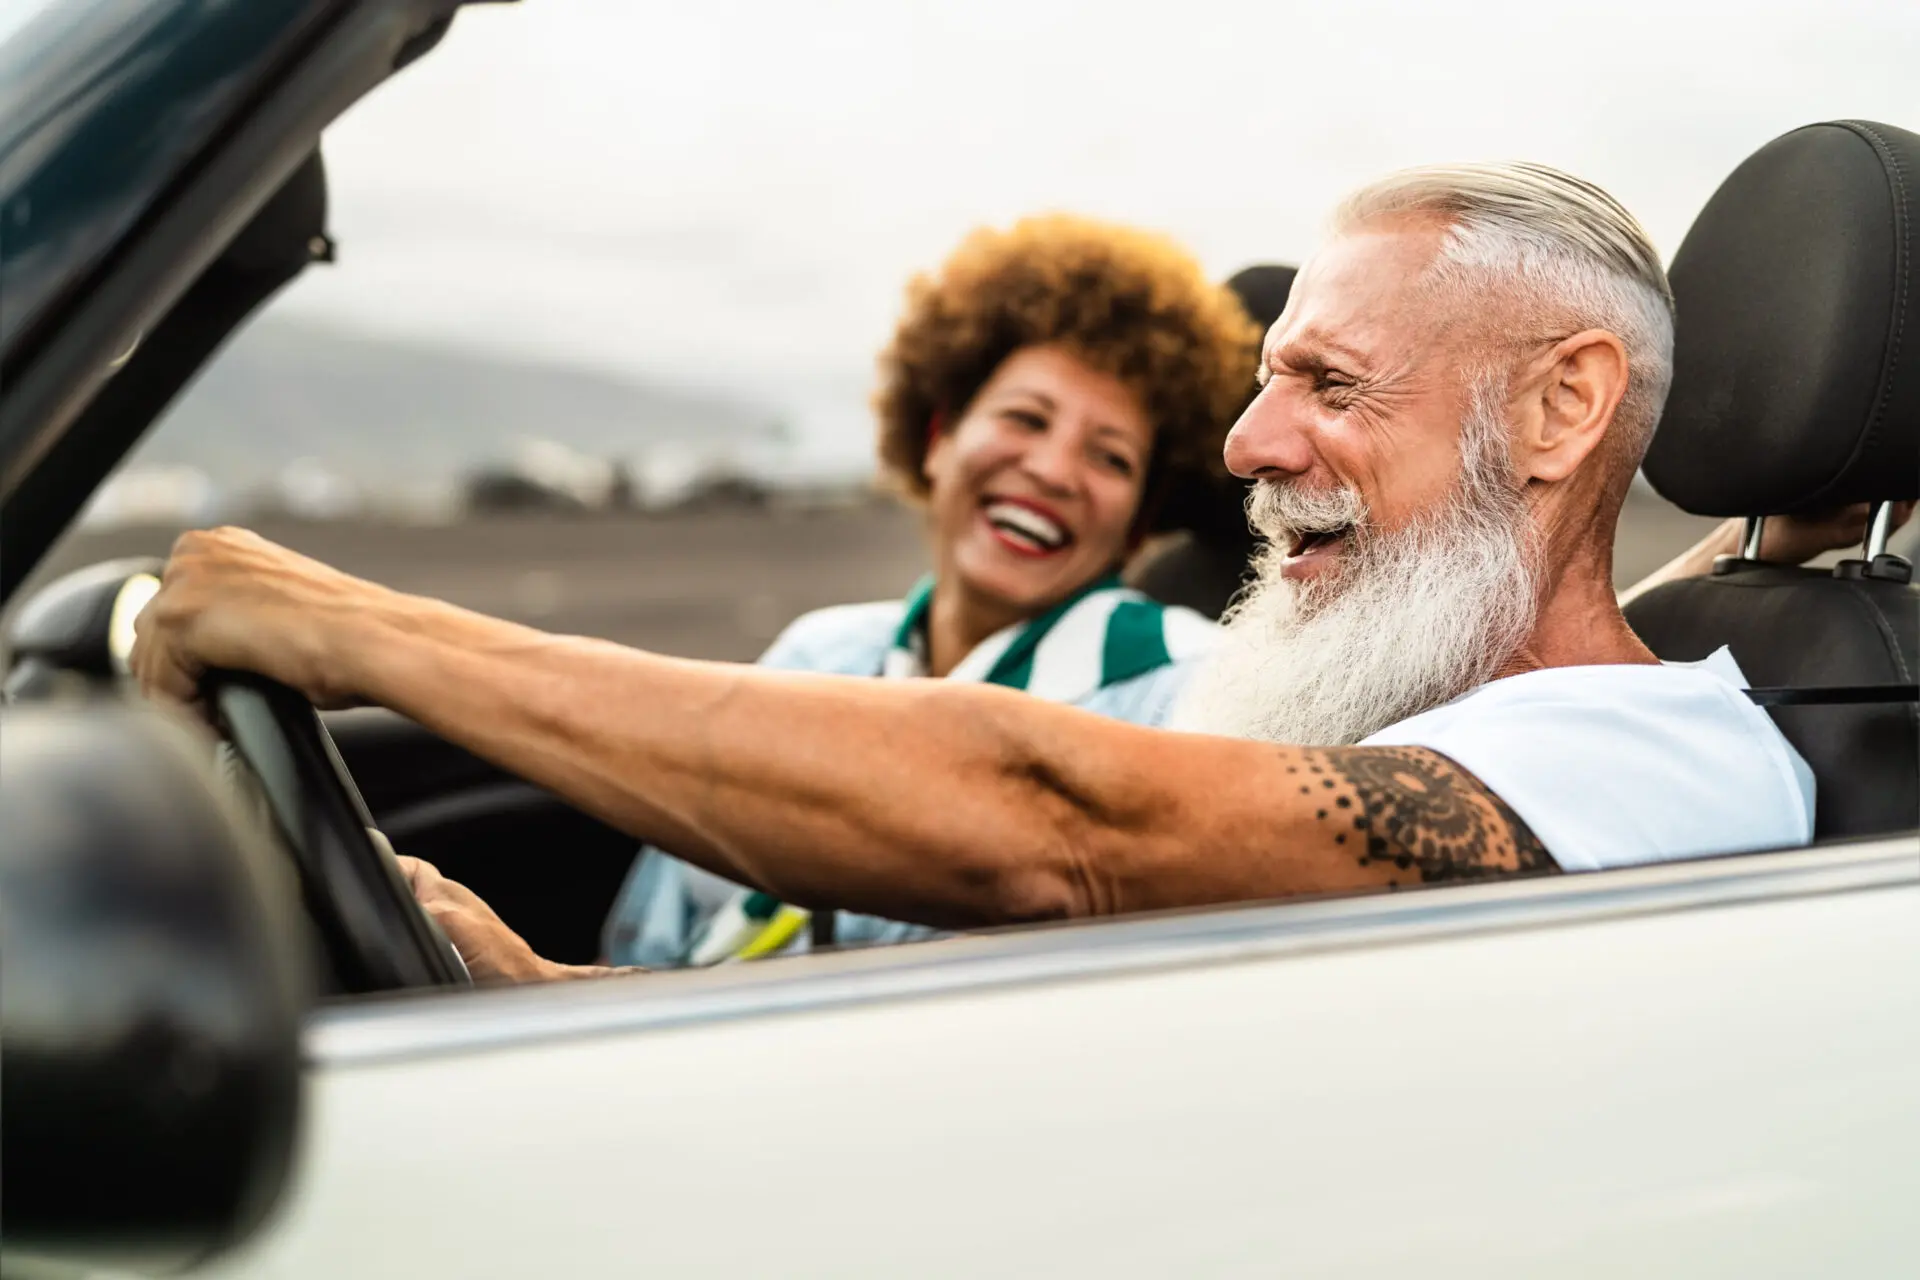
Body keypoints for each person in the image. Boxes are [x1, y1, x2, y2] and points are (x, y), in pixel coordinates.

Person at [134, 161, 1822, 985]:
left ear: (1561, 407)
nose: (1243, 446)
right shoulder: (1369, 738)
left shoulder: (1660, 755)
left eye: (1324, 383)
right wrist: (553, 997)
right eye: (1258, 385)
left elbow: (1055, 830)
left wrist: (356, 627)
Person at [604, 214, 1260, 966]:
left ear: (1138, 525)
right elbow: (644, 950)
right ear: (938, 436)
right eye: (1025, 417)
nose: (1051, 470)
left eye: (1109, 458)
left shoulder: (1188, 693)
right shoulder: (816, 654)